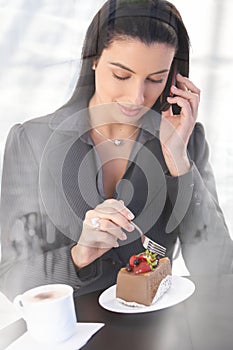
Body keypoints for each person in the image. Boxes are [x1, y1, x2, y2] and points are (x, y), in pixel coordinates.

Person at [0, 0, 232, 301]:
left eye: (156, 79)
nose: (136, 97)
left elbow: (219, 269)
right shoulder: (33, 141)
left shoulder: (186, 141)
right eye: (121, 75)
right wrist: (79, 255)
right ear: (93, 59)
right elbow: (11, 277)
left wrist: (177, 158)